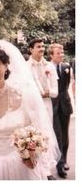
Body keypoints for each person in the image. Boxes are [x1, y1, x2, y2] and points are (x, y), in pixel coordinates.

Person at [0, 40, 60, 180]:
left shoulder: (25, 96)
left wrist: (33, 154)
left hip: (23, 168)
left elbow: (42, 133)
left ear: (6, 65)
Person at [27, 39, 59, 180]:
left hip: (46, 104)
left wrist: (46, 93)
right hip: (31, 105)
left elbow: (55, 91)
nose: (41, 49)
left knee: (46, 135)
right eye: (38, 47)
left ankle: (47, 171)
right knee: (33, 136)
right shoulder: (25, 66)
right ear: (31, 49)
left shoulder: (49, 66)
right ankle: (36, 168)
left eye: (42, 46)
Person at [48, 43, 73, 179]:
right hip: (53, 106)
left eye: (62, 52)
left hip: (65, 104)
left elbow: (67, 85)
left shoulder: (66, 67)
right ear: (51, 55)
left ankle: (65, 159)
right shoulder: (47, 67)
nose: (61, 55)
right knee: (57, 135)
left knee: (65, 135)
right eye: (58, 53)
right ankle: (60, 164)